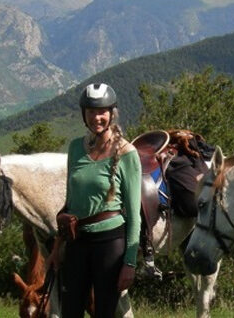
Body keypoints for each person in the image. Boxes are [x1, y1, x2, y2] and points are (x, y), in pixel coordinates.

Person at [48, 83, 142, 317]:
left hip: (110, 244)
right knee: (70, 311)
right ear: (83, 114)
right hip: (77, 241)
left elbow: (133, 215)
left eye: (102, 112)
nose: (96, 117)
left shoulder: (127, 153)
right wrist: (56, 249)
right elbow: (70, 202)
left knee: (104, 313)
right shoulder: (75, 149)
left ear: (112, 113)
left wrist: (129, 263)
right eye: (91, 111)